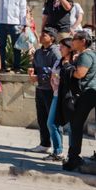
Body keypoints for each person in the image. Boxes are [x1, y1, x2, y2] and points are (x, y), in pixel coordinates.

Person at [63, 30, 96, 172]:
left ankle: (74, 158)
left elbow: (80, 73)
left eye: (75, 39)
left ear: (83, 41)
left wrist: (68, 67)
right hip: (89, 93)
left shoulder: (86, 55)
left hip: (86, 94)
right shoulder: (89, 54)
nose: (72, 41)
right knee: (75, 125)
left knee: (76, 125)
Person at [28, 27, 61, 155]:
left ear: (52, 38)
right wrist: (32, 72)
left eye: (44, 35)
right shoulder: (38, 52)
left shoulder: (55, 53)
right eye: (41, 34)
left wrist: (39, 76)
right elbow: (36, 68)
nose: (41, 37)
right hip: (40, 88)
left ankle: (57, 146)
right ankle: (44, 144)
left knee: (52, 121)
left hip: (51, 90)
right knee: (41, 118)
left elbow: (56, 73)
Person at [48, 38, 72, 161]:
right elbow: (53, 75)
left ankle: (72, 155)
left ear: (69, 48)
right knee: (52, 123)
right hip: (57, 95)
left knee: (71, 127)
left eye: (62, 47)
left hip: (68, 97)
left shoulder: (74, 61)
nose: (60, 49)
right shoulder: (59, 61)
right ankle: (58, 151)